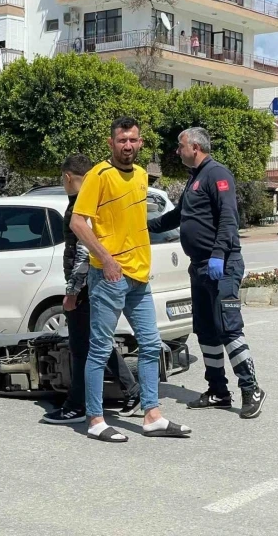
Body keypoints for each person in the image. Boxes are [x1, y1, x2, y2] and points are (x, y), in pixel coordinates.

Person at [70, 116, 192, 442]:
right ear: (111, 143)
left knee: (151, 345)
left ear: (140, 142)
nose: (128, 145)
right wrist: (107, 260)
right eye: (121, 140)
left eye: (133, 140)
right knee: (99, 350)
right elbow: (78, 223)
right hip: (110, 276)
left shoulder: (140, 175)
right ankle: (95, 419)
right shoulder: (99, 175)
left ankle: (152, 415)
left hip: (139, 276)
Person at [148, 127, 266, 419]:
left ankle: (251, 389)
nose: (178, 151)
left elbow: (228, 218)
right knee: (205, 329)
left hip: (221, 266)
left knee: (228, 328)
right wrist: (144, 226)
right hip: (198, 266)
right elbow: (178, 217)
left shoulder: (217, 174)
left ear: (196, 147)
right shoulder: (195, 179)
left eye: (181, 146)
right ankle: (218, 391)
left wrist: (217, 255)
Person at [43, 155, 141, 424]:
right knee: (95, 342)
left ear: (67, 177)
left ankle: (77, 405)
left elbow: (82, 253)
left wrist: (72, 291)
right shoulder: (97, 199)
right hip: (95, 281)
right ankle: (131, 391)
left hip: (86, 285)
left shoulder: (81, 205)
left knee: (80, 347)